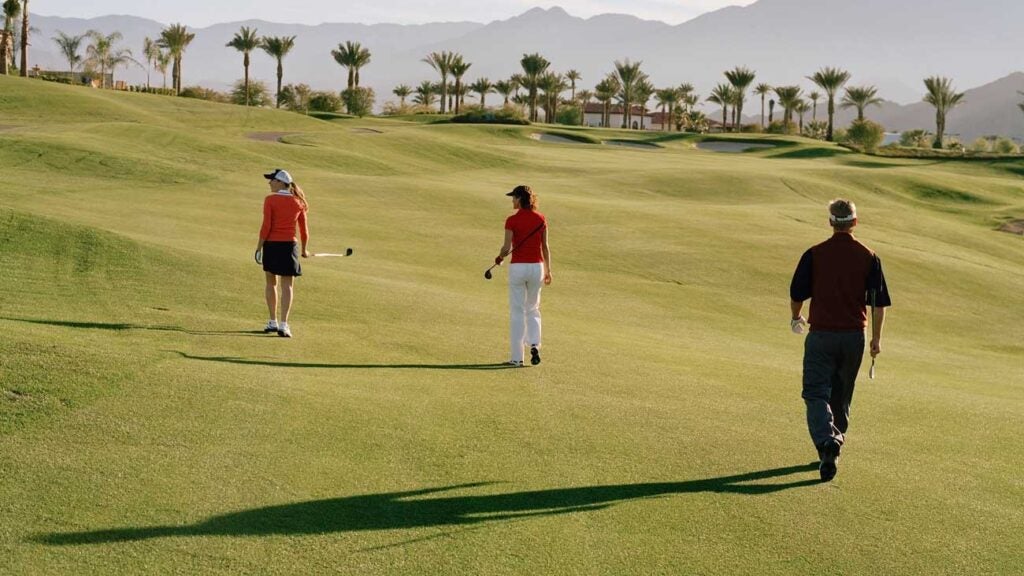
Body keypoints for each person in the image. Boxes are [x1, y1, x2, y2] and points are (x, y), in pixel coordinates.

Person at [789, 199, 891, 482]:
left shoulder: (815, 253)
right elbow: (878, 304)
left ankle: (827, 442)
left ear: (831, 223)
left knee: (815, 392)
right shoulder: (869, 256)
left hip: (821, 335)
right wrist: (877, 339)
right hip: (853, 337)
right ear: (855, 222)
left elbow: (797, 293)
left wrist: (796, 317)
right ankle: (834, 443)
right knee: (841, 394)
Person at [494, 185, 552, 367]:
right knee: (533, 308)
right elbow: (545, 247)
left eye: (514, 198)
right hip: (537, 268)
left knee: (517, 311)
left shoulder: (512, 220)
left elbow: (506, 247)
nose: (512, 201)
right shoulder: (541, 219)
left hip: (518, 268)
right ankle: (535, 344)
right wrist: (549, 271)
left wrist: (499, 258)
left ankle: (517, 358)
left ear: (520, 199)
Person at [255, 168, 310, 338]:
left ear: (280, 182)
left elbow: (266, 227)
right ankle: (284, 325)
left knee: (271, 283)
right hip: (289, 247)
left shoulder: (270, 200)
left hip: (271, 245)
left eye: (272, 180)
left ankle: (273, 322)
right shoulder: (298, 201)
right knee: (287, 285)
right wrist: (304, 250)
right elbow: (304, 231)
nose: (269, 183)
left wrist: (258, 248)